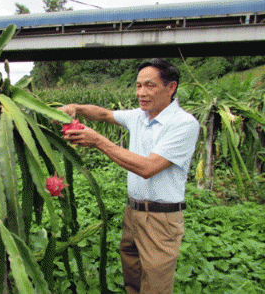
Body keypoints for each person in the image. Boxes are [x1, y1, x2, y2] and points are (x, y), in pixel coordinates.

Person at [59, 58, 200, 294]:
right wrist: (76, 108)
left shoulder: (183, 124)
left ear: (171, 87)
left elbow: (147, 168)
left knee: (155, 286)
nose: (141, 93)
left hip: (160, 220)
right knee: (132, 278)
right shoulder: (140, 115)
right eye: (138, 86)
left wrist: (99, 142)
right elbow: (104, 114)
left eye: (149, 86)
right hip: (132, 213)